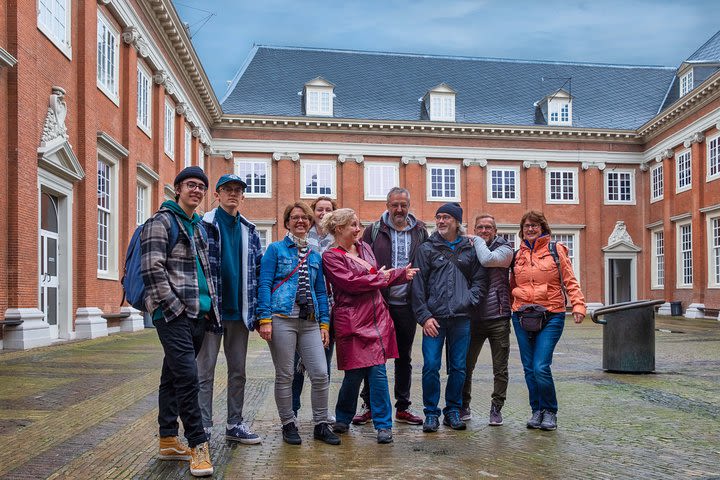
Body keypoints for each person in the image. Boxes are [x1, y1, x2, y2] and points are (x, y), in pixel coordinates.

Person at [141, 166, 219, 477]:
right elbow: (152, 270)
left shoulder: (198, 227)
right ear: (177, 189)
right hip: (173, 314)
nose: (196, 190)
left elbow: (205, 272)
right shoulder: (160, 222)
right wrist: (174, 308)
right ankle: (198, 445)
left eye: (201, 186)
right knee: (188, 377)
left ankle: (168, 439)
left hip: (199, 312)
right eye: (190, 185)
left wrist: (207, 306)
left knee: (173, 376)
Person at [320, 208, 418, 444]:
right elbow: (350, 283)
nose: (358, 229)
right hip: (352, 320)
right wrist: (381, 278)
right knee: (353, 375)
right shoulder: (331, 256)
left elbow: (376, 276)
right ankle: (343, 417)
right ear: (339, 228)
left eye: (358, 224)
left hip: (376, 318)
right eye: (353, 225)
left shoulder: (365, 247)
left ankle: (384, 425)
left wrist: (400, 275)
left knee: (378, 372)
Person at [256, 202, 340, 446]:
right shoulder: (275, 250)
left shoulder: (315, 256)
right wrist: (264, 319)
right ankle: (288, 423)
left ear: (311, 222)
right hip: (282, 319)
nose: (300, 221)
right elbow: (264, 285)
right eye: (295, 218)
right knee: (285, 375)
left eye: (305, 218)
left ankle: (321, 424)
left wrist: (325, 324)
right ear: (287, 222)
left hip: (310, 322)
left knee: (321, 374)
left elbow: (321, 292)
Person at [351, 187, 427, 426]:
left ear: (409, 205)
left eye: (403, 205)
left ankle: (402, 407)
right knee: (374, 357)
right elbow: (360, 262)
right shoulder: (373, 231)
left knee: (404, 357)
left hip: (407, 304)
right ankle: (369, 405)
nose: (399, 209)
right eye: (394, 205)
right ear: (387, 205)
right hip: (379, 302)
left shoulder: (420, 231)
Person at [197, 174, 263, 444]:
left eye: (238, 190)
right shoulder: (204, 226)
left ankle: (235, 424)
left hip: (240, 312)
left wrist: (259, 312)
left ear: (243, 196)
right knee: (204, 371)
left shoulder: (250, 230)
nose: (233, 194)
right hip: (211, 311)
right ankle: (202, 426)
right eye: (227, 190)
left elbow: (258, 271)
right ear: (217, 194)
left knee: (238, 372)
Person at [411, 202, 488, 433]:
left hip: (461, 319)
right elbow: (417, 285)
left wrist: (468, 301)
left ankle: (453, 410)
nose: (441, 221)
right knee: (431, 366)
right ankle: (431, 413)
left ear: (456, 222)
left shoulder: (470, 248)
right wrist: (424, 317)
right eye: (439, 217)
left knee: (458, 367)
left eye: (446, 217)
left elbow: (480, 281)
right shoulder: (426, 249)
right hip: (434, 319)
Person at [511, 210, 586, 431]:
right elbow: (508, 284)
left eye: (535, 225)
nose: (531, 229)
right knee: (528, 367)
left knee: (540, 366)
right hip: (522, 315)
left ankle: (550, 411)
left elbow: (570, 280)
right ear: (522, 230)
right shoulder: (517, 255)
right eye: (527, 226)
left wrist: (578, 304)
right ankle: (537, 410)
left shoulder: (555, 250)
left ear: (543, 228)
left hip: (551, 313)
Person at [460, 214, 513, 426]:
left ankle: (496, 407)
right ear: (475, 228)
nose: (484, 231)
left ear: (495, 231)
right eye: (480, 227)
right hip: (473, 316)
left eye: (488, 227)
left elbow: (487, 260)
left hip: (498, 316)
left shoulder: (506, 249)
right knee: (465, 365)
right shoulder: (467, 248)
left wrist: (476, 241)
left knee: (500, 368)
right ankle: (464, 405)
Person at [292, 196, 337, 419]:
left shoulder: (337, 238)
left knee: (323, 363)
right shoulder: (300, 234)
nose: (323, 213)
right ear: (313, 212)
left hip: (329, 306)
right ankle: (293, 409)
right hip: (302, 307)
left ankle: (322, 411)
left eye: (328, 209)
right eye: (319, 209)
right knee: (296, 363)